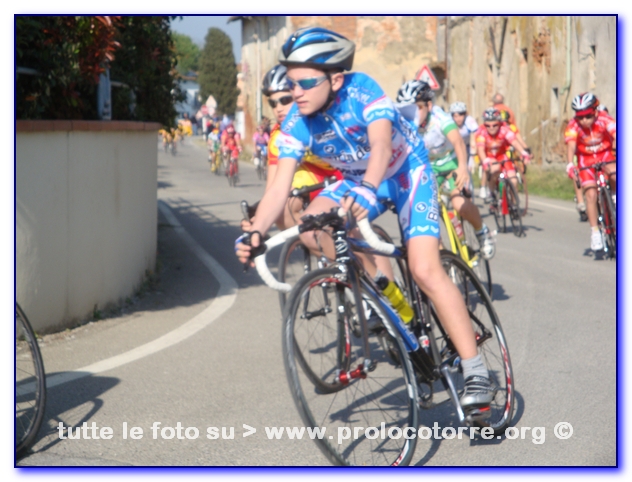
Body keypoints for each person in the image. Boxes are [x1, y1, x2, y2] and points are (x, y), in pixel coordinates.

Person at [235, 27, 498, 414]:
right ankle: (382, 294)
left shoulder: (362, 90)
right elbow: (278, 189)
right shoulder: (296, 121)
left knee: (424, 269)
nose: (297, 92)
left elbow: (381, 145)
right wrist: (256, 232)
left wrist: (370, 188)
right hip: (355, 180)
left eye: (306, 83)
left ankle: (476, 370)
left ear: (335, 79)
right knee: (312, 228)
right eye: (291, 84)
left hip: (405, 172)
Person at [396, 81, 495, 259]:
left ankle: (481, 232)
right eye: (407, 109)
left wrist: (463, 167)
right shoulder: (404, 123)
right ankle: (442, 259)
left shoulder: (440, 118)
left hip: (451, 164)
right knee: (427, 215)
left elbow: (458, 142)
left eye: (417, 107)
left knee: (458, 204)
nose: (412, 113)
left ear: (429, 105)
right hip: (428, 169)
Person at [258, 64, 342, 230]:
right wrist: (258, 222)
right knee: (282, 210)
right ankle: (316, 241)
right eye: (273, 103)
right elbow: (273, 189)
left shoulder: (326, 117)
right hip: (318, 173)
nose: (278, 108)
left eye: (285, 100)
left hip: (348, 171)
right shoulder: (278, 137)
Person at [564, 92, 616, 251]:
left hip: (605, 154)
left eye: (587, 116)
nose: (584, 121)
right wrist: (570, 164)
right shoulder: (573, 125)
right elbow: (571, 145)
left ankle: (615, 196)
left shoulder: (605, 119)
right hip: (585, 159)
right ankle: (595, 232)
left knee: (615, 174)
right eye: (580, 117)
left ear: (595, 111)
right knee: (591, 195)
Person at [476, 108, 531, 203]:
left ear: (499, 123)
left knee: (513, 180)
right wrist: (485, 161)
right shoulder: (482, 132)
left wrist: (524, 153)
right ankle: (491, 192)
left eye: (495, 125)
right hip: (489, 157)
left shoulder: (504, 129)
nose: (491, 128)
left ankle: (514, 203)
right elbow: (480, 149)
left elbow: (514, 142)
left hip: (502, 156)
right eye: (488, 125)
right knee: (495, 168)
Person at [449, 101, 480, 191]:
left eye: (461, 115)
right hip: (452, 148)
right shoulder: (449, 121)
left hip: (466, 147)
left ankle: (467, 189)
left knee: (467, 168)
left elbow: (476, 137)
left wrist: (475, 151)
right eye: (455, 116)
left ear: (465, 115)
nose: (458, 119)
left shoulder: (469, 120)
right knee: (452, 168)